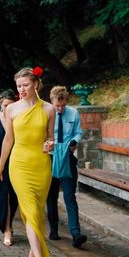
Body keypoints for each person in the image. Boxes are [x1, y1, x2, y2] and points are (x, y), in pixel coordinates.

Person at [0, 67, 55, 257]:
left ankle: (32, 253)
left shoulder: (48, 109)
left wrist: (50, 145)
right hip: (19, 165)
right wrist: (0, 165)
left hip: (41, 165)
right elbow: (9, 139)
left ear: (36, 84)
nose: (21, 89)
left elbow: (50, 137)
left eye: (25, 85)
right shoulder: (12, 109)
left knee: (37, 213)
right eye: (19, 86)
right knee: (29, 210)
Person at [46, 86, 87, 248]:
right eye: (58, 106)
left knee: (70, 196)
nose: (61, 108)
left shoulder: (73, 113)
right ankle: (54, 229)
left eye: (63, 105)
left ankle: (76, 234)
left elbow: (78, 132)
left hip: (67, 158)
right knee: (51, 196)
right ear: (52, 102)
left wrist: (74, 142)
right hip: (50, 157)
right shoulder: (47, 113)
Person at [0, 90, 19, 246]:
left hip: (15, 156)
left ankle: (9, 222)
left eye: (11, 105)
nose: (8, 108)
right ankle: (6, 228)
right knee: (2, 193)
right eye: (5, 105)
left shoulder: (19, 119)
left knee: (13, 195)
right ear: (0, 104)